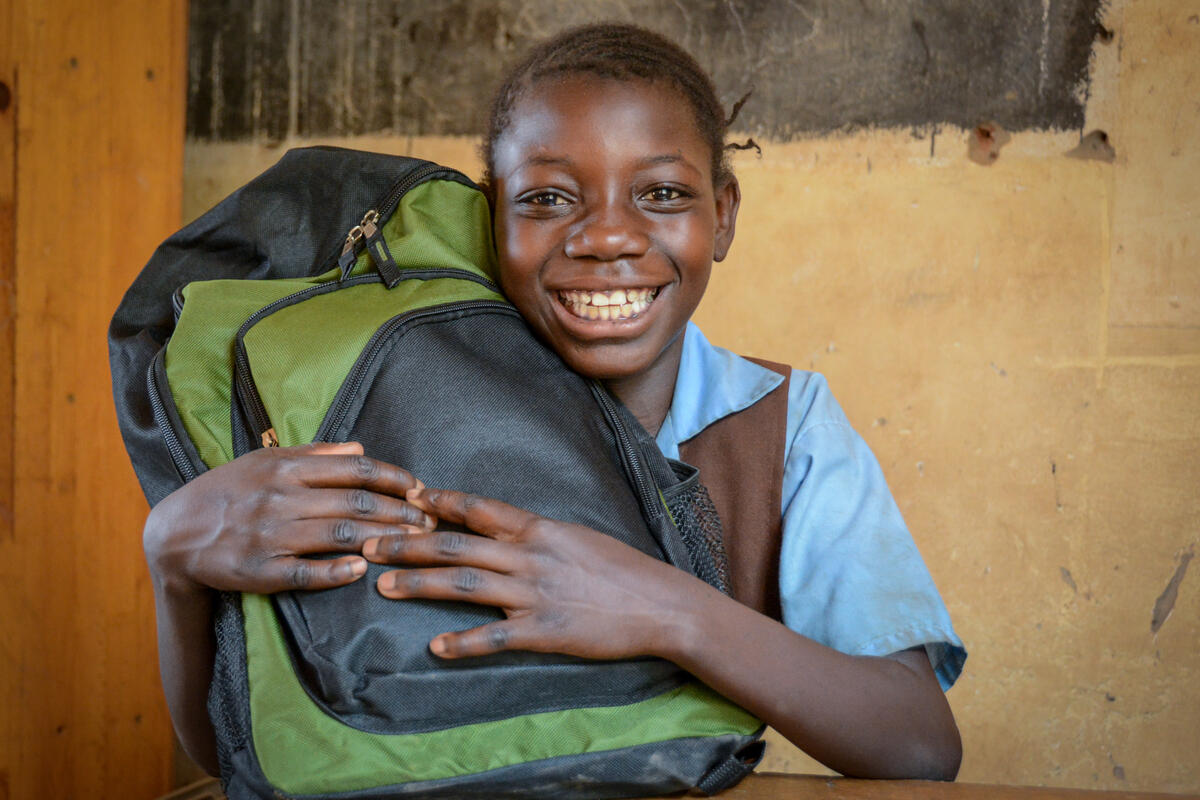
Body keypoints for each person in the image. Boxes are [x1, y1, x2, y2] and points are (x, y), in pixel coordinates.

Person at [142, 23, 965, 783]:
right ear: (489, 219)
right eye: (546, 199)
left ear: (724, 216)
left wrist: (668, 610)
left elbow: (919, 746)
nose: (606, 237)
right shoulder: (394, 407)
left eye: (665, 195)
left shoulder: (784, 426)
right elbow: (239, 751)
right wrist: (172, 563)